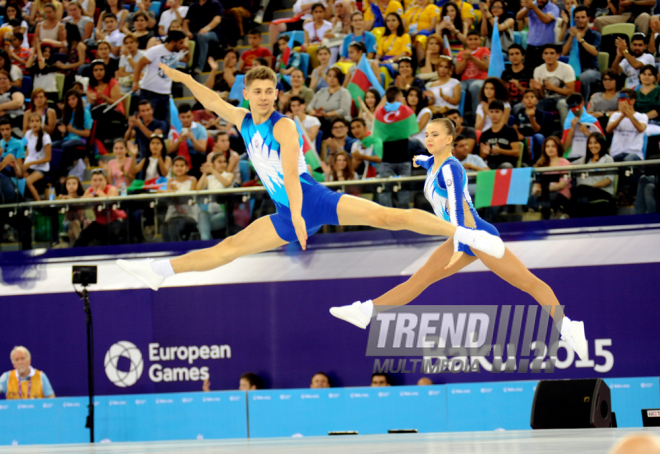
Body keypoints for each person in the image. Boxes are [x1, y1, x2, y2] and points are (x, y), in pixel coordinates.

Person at [117, 65, 504, 292]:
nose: (265, 97)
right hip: (288, 211)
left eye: (271, 91)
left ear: (276, 94)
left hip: (308, 198)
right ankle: (160, 272)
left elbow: (288, 172)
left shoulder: (283, 125)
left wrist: (300, 217)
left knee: (386, 217)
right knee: (231, 247)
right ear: (248, 94)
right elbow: (212, 101)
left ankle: (463, 233)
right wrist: (182, 76)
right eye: (258, 92)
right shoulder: (243, 118)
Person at [329, 118, 588, 361]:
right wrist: (421, 160)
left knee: (528, 283)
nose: (429, 138)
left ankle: (568, 326)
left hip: (476, 235)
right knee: (419, 280)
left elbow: (455, 207)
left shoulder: (451, 168)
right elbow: (431, 163)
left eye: (436, 135)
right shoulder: (437, 163)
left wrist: (459, 245)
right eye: (427, 134)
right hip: (465, 235)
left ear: (450, 139)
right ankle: (366, 312)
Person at [133, 30, 188, 134]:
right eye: (181, 42)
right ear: (173, 41)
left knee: (165, 125)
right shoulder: (155, 51)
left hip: (165, 94)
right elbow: (139, 64)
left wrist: (187, 49)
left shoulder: (177, 52)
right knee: (148, 123)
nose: (183, 45)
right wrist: (135, 82)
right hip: (149, 91)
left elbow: (186, 59)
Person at [74, 169, 126, 246]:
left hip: (115, 219)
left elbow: (110, 200)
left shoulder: (111, 189)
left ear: (105, 180)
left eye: (100, 180)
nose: (97, 183)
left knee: (112, 233)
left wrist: (99, 192)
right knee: (83, 236)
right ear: (91, 182)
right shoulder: (90, 190)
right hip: (99, 221)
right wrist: (93, 193)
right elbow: (81, 202)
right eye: (94, 180)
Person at [561, 6, 601, 102]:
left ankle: (584, 104)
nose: (580, 20)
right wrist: (571, 37)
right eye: (577, 18)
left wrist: (581, 41)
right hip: (572, 68)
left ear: (588, 18)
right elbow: (564, 52)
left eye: (583, 17)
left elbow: (595, 52)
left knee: (583, 77)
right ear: (574, 19)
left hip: (591, 69)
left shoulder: (594, 34)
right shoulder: (570, 33)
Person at [571, 132, 615, 216]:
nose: (593, 146)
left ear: (601, 143)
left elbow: (608, 180)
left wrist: (590, 187)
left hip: (602, 192)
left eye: (596, 143)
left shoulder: (607, 159)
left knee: (580, 189)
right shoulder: (585, 159)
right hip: (584, 192)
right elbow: (569, 165)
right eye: (590, 143)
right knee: (575, 192)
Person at [531, 43, 575, 128]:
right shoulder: (538, 70)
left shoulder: (567, 68)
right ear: (542, 56)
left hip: (563, 99)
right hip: (546, 99)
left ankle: (566, 134)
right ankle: (542, 134)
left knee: (561, 104)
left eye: (552, 53)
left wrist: (553, 88)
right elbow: (541, 96)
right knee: (535, 105)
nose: (549, 56)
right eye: (546, 53)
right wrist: (538, 89)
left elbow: (571, 92)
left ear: (558, 55)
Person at [532, 136, 572, 219]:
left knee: (549, 198)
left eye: (553, 146)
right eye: (547, 146)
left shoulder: (565, 163)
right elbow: (537, 182)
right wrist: (535, 189)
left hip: (561, 194)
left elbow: (562, 185)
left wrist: (543, 190)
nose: (550, 149)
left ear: (558, 147)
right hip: (544, 194)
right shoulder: (541, 163)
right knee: (531, 198)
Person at [162, 156, 199, 242]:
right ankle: (168, 251)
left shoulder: (192, 180)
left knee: (173, 225)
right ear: (172, 168)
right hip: (173, 215)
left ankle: (177, 250)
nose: (179, 168)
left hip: (188, 215)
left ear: (187, 168)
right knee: (164, 227)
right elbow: (169, 199)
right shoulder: (170, 181)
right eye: (176, 166)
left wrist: (176, 191)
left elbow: (190, 199)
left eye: (182, 166)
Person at [197, 153, 234, 240]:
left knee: (202, 226)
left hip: (225, 213)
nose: (222, 164)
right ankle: (206, 242)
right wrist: (205, 173)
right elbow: (198, 188)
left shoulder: (229, 175)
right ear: (213, 164)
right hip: (211, 213)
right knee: (203, 215)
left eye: (224, 162)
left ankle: (205, 244)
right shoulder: (209, 178)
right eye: (219, 162)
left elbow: (227, 183)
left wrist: (213, 170)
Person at [605, 90, 648, 162]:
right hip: (616, 153)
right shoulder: (615, 115)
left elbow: (641, 128)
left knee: (628, 160)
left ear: (632, 101)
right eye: (620, 100)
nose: (621, 102)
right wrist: (622, 116)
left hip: (634, 153)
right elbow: (608, 130)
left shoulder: (642, 116)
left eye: (624, 99)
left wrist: (628, 112)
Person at [516, 0, 560, 70]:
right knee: (529, 73)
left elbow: (546, 19)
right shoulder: (532, 4)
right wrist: (528, 8)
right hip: (531, 46)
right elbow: (518, 17)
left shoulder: (553, 8)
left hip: (546, 48)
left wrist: (533, 7)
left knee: (545, 72)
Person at [167, 103, 209, 176]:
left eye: (188, 117)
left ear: (193, 116)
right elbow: (170, 150)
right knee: (170, 156)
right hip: (179, 155)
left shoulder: (200, 128)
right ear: (178, 117)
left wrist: (192, 139)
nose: (186, 120)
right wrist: (179, 141)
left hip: (194, 156)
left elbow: (202, 149)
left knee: (201, 156)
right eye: (183, 117)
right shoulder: (174, 129)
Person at [456, 30, 490, 117]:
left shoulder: (484, 50)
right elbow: (458, 71)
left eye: (475, 39)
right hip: (465, 81)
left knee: (475, 87)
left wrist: (471, 57)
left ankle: (476, 117)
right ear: (466, 41)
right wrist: (465, 60)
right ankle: (458, 116)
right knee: (457, 88)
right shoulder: (461, 53)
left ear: (480, 40)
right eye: (470, 39)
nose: (473, 41)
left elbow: (486, 67)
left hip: (480, 79)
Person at [183, 0, 223, 74]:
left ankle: (200, 66)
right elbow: (186, 22)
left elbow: (217, 19)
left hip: (211, 32)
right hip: (194, 32)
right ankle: (182, 65)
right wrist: (187, 32)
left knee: (202, 37)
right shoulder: (193, 6)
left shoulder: (215, 4)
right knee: (180, 36)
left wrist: (206, 28)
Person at [478, 100, 521, 168]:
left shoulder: (510, 131)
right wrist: (486, 153)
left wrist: (500, 151)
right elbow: (481, 156)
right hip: (490, 165)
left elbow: (516, 152)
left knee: (506, 166)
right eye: (491, 112)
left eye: (497, 112)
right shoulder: (485, 134)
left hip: (507, 164)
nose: (494, 115)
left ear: (503, 113)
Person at [562, 93, 604, 160]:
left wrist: (587, 133)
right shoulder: (568, 122)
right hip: (573, 157)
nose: (573, 110)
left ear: (582, 103)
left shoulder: (592, 121)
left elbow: (603, 142)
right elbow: (565, 147)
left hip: (589, 157)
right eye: (571, 107)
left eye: (575, 106)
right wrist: (572, 128)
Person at [23, 113, 51, 201]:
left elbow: (48, 158)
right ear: (29, 124)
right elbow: (27, 151)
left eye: (37, 121)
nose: (34, 124)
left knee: (28, 181)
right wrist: (25, 164)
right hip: (29, 166)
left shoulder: (45, 137)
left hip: (41, 168)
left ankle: (38, 202)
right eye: (32, 121)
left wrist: (31, 163)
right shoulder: (28, 134)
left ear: (41, 123)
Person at [514, 89, 547, 162]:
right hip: (522, 136)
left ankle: (539, 160)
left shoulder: (540, 113)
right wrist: (518, 134)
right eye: (526, 97)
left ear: (536, 101)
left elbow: (537, 129)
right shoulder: (520, 112)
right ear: (522, 101)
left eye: (532, 97)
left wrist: (531, 118)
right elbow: (515, 126)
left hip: (534, 135)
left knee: (539, 137)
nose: (529, 99)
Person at [57, 175, 87, 246]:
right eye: (69, 184)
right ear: (65, 185)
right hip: (67, 223)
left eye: (74, 183)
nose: (71, 186)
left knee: (71, 233)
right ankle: (81, 246)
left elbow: (82, 211)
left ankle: (75, 249)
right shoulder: (63, 197)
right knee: (74, 223)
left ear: (78, 185)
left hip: (82, 222)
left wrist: (70, 198)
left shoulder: (82, 197)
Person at [634, 64, 660, 135]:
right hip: (638, 122)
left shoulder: (658, 90)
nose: (646, 77)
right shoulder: (635, 93)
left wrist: (642, 118)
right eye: (644, 74)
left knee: (642, 132)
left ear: (655, 78)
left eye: (650, 74)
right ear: (639, 76)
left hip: (655, 122)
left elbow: (658, 111)